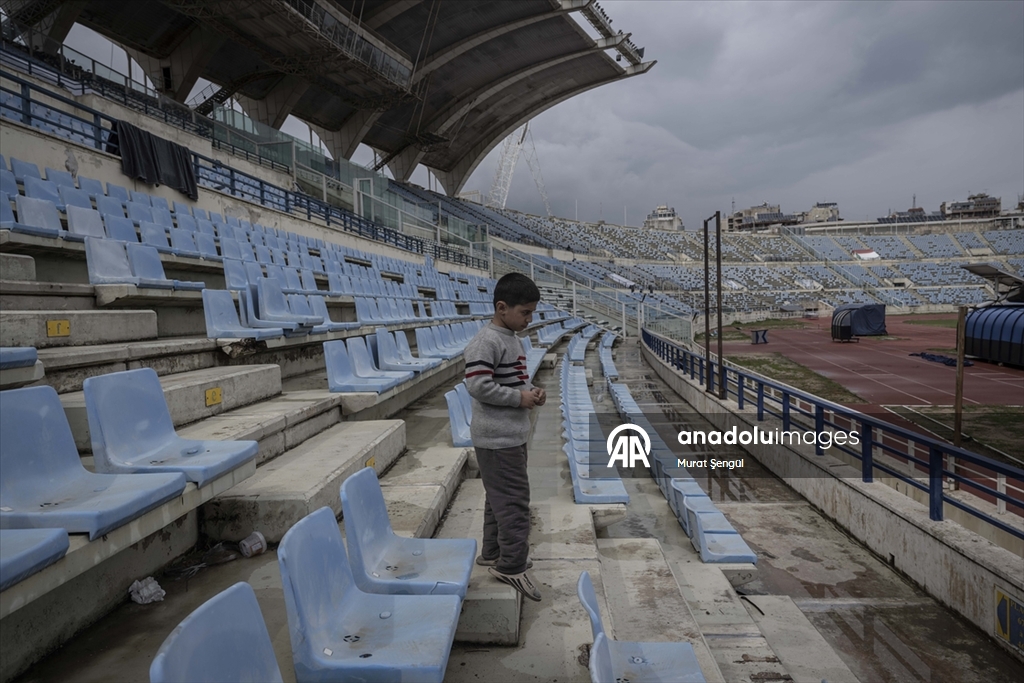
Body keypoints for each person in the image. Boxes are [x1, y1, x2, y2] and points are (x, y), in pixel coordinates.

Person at [463, 272, 545, 602]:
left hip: (510, 435)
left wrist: (531, 392)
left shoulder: (512, 337)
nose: (529, 319)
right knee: (513, 502)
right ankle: (511, 566)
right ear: (502, 308)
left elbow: (512, 382)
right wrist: (518, 399)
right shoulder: (487, 341)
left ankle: (493, 552)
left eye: (532, 312)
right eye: (525, 312)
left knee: (498, 497)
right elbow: (478, 385)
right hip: (498, 439)